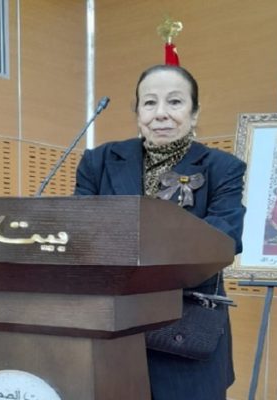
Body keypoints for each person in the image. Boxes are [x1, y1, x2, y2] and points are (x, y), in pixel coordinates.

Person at [74, 64, 246, 400]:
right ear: (138, 112)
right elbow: (79, 230)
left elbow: (223, 238)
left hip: (185, 331)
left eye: (175, 102)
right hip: (112, 331)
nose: (161, 113)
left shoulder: (222, 168)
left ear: (194, 113)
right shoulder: (99, 162)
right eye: (150, 102)